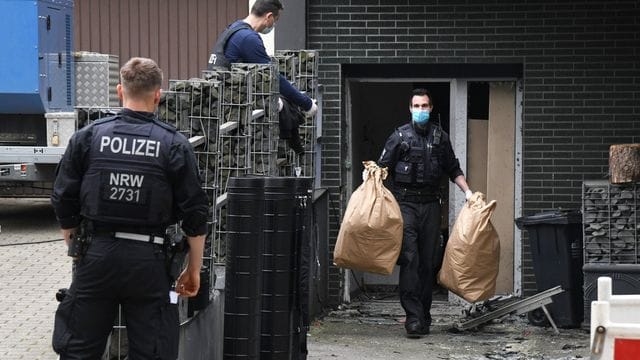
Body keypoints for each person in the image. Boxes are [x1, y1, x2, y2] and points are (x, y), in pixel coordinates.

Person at [50, 57, 208, 359]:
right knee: (152, 350)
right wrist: (193, 270)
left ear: (120, 91)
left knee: (79, 348)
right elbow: (195, 214)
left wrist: (76, 246)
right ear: (158, 96)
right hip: (149, 262)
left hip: (96, 255)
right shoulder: (174, 144)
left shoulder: (89, 137)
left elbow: (63, 197)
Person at [378, 88, 473, 338]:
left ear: (431, 108)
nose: (421, 110)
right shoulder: (399, 136)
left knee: (428, 263)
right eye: (416, 106)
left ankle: (424, 316)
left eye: (425, 106)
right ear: (410, 109)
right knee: (410, 259)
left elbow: (453, 169)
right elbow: (382, 170)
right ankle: (413, 319)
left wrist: (468, 192)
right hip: (405, 205)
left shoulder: (440, 138)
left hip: (431, 205)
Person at [208, 0, 317, 118]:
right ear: (269, 17)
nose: (274, 24)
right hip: (230, 106)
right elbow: (273, 77)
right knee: (284, 109)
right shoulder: (248, 38)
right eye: (276, 20)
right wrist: (307, 103)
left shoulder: (234, 28)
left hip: (216, 99)